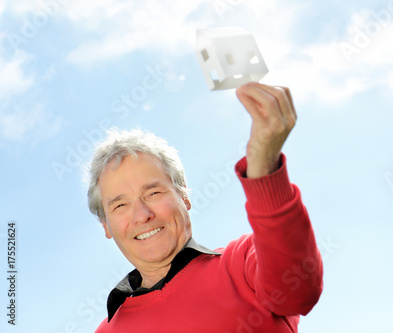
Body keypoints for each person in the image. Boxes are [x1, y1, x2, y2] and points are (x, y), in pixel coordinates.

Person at [88, 82, 323, 332]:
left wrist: (263, 169)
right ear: (106, 225)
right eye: (120, 205)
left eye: (153, 192)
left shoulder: (245, 263)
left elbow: (297, 291)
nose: (142, 215)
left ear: (184, 197)